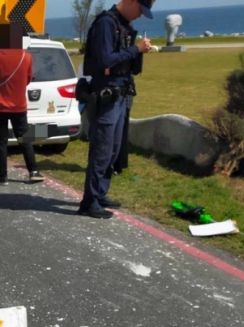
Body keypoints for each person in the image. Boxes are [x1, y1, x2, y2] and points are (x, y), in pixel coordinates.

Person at [77, 0, 153, 218]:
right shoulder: (106, 24)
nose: (139, 15)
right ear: (129, 1)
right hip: (106, 95)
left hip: (120, 93)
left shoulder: (122, 25)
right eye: (140, 9)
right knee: (101, 149)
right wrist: (135, 49)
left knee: (113, 149)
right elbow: (105, 60)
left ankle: (100, 194)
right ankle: (89, 202)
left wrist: (137, 52)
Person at [0, 21, 44, 185]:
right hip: (19, 105)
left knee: (1, 141)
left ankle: (2, 176)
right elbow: (27, 80)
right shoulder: (27, 57)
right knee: (25, 139)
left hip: (1, 106)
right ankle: (33, 171)